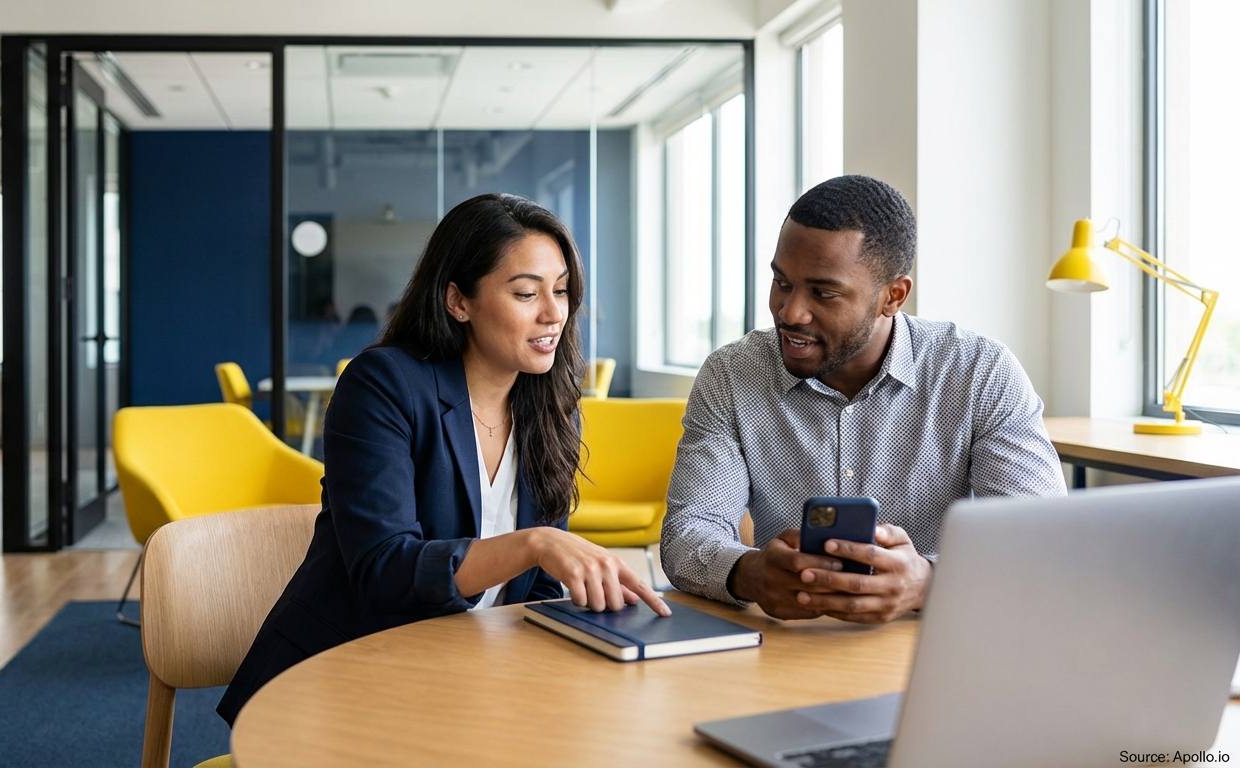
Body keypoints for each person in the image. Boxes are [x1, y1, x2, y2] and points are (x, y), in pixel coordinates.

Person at [218, 193, 670, 726]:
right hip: (345, 678)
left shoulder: (552, 407)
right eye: (526, 293)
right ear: (459, 301)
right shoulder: (383, 384)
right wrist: (535, 544)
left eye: (562, 290)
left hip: (470, 682)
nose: (554, 313)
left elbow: (538, 589)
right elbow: (385, 569)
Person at [659, 175, 1065, 625]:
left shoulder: (979, 373)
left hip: (939, 644)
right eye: (781, 282)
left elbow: (1039, 544)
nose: (790, 312)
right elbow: (686, 536)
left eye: (823, 292)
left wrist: (928, 582)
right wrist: (748, 572)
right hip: (787, 647)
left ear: (892, 297)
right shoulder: (732, 375)